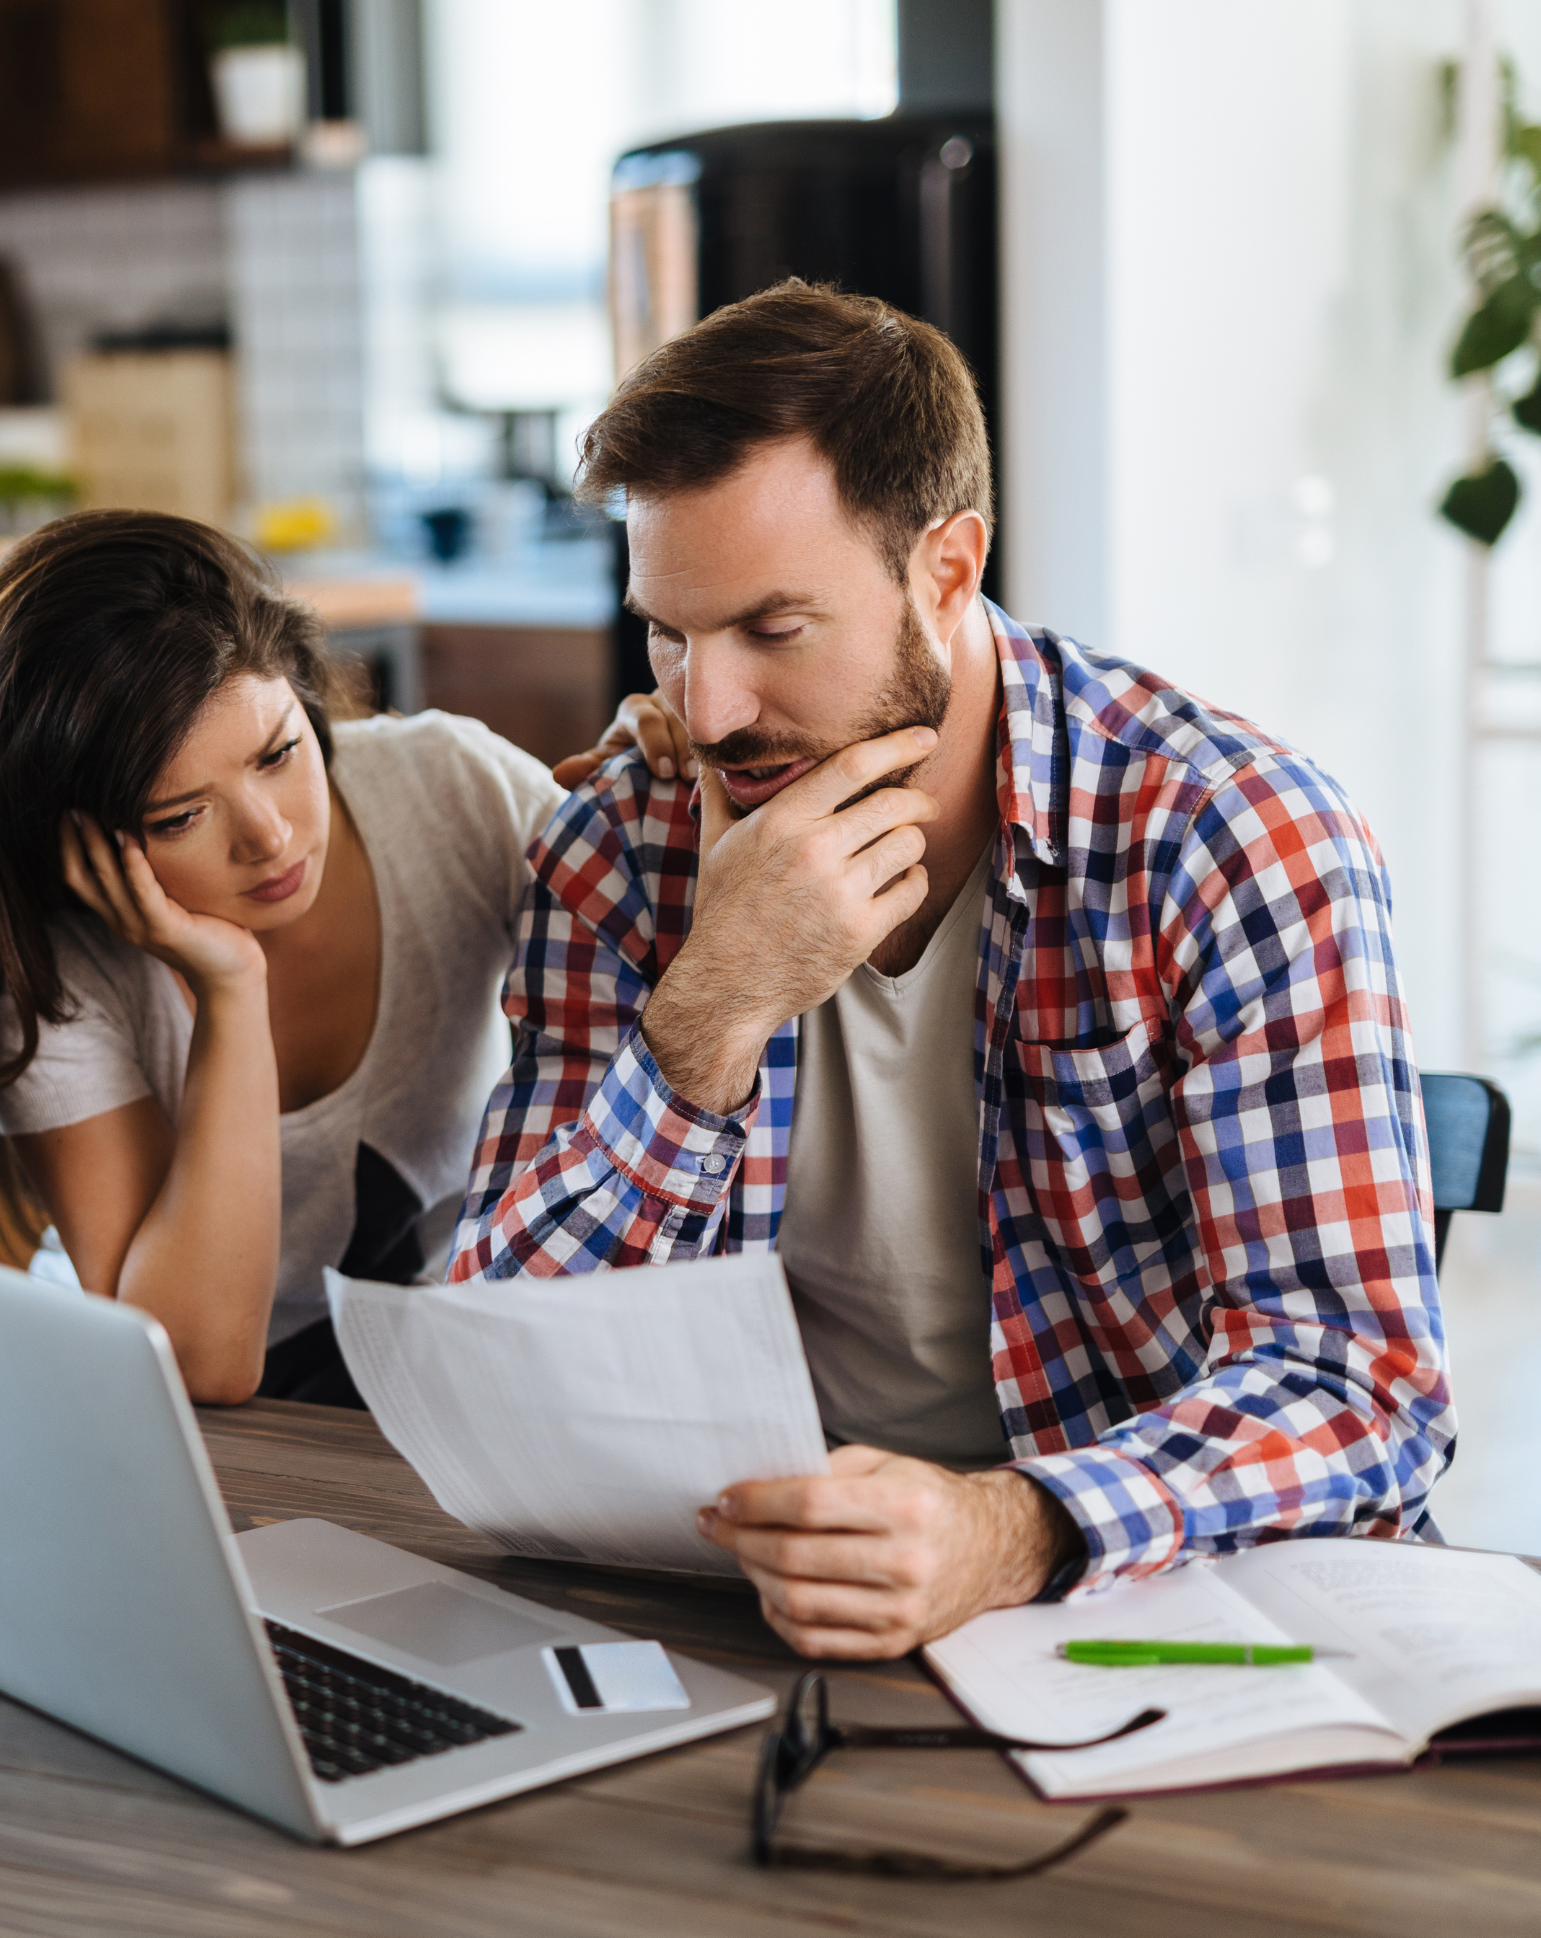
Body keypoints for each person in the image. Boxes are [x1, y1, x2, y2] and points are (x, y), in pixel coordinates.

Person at [452, 281, 1452, 1660]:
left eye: (771, 629)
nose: (708, 709)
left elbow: (1358, 1389)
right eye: (668, 634)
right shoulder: (619, 846)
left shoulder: (1228, 840)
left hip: (1150, 1600)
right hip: (758, 1604)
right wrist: (709, 1013)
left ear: (945, 568)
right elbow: (493, 1373)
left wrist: (1006, 1527)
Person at [0, 510, 564, 1406]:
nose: (270, 837)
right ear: (72, 840)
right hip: (172, 1426)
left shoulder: (450, 788)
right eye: (180, 817)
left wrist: (662, 782)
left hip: (440, 1382)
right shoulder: (51, 969)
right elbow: (197, 1361)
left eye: (278, 753)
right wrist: (231, 988)